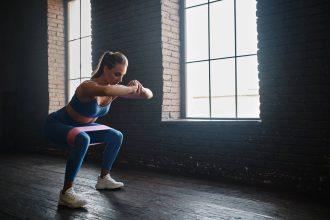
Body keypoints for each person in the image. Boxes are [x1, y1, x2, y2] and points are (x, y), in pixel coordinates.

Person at [43, 51, 153, 208]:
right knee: (83, 138)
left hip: (80, 127)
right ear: (105, 69)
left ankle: (104, 179)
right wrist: (130, 89)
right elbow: (107, 91)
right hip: (56, 124)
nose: (120, 79)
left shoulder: (115, 89)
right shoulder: (88, 86)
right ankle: (66, 193)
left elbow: (148, 95)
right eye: (117, 74)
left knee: (116, 136)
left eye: (123, 75)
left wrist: (139, 88)